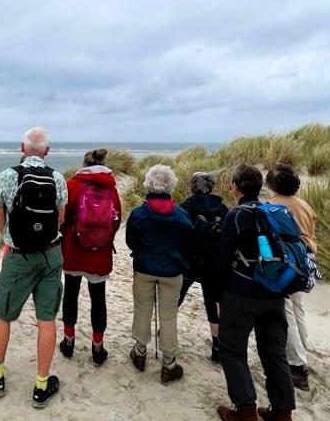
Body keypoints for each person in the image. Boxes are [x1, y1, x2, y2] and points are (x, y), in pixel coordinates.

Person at [0, 127, 68, 408]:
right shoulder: (57, 178)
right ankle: (41, 385)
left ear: (22, 147)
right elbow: (60, 219)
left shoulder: (7, 175)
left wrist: (10, 236)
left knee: (3, 315)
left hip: (18, 256)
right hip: (50, 255)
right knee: (46, 319)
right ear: (47, 151)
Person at [215, 164, 296, 421]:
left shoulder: (236, 216)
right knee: (275, 353)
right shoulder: (275, 212)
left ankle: (247, 415)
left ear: (235, 187)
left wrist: (218, 296)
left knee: (233, 350)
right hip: (275, 293)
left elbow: (223, 260)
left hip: (241, 293)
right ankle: (283, 416)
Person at [125, 164, 194, 384]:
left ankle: (140, 352)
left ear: (148, 184)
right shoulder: (182, 215)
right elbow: (189, 246)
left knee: (143, 309)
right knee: (168, 315)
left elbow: (131, 241)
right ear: (170, 184)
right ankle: (169, 363)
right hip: (172, 271)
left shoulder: (139, 213)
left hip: (145, 268)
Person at [59, 148, 122, 366]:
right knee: (98, 299)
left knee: (70, 294)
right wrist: (104, 239)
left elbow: (63, 217)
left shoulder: (72, 185)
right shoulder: (111, 189)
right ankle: (97, 347)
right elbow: (117, 220)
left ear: (83, 164)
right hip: (99, 253)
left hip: (73, 251)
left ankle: (68, 341)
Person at [266, 162, 317, 392]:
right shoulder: (303, 204)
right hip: (306, 260)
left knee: (285, 311)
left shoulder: (273, 206)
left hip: (286, 264)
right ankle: (302, 353)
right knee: (298, 309)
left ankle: (297, 365)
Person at [178, 172, 228, 364]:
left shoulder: (186, 207)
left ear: (193, 186)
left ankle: (167, 329)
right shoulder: (223, 208)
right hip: (214, 262)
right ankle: (217, 345)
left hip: (190, 260)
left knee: (177, 295)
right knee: (213, 301)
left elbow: (180, 234)